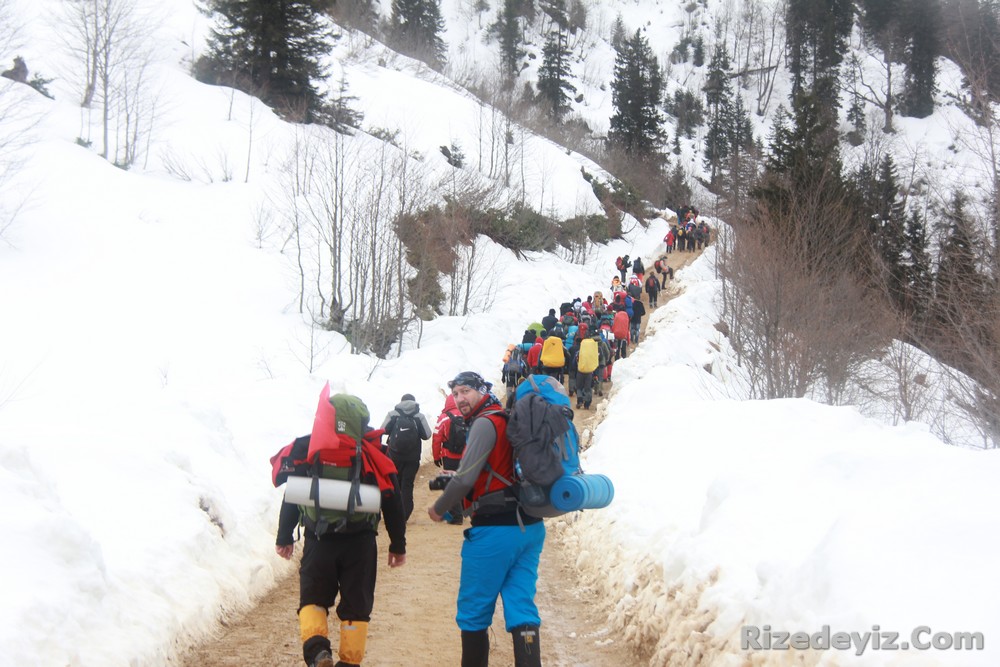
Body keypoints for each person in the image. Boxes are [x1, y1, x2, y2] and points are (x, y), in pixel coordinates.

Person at [275, 391, 406, 667]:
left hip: (319, 540)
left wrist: (284, 536)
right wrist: (398, 545)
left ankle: (318, 651)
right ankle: (348, 662)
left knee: (313, 599)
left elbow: (293, 495)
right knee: (356, 608)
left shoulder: (310, 449)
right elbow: (393, 500)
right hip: (360, 545)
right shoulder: (374, 454)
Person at [428, 372, 545, 667]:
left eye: (466, 391)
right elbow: (495, 471)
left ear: (482, 391)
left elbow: (466, 479)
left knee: (474, 611)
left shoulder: (485, 422)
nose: (460, 399)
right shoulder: (508, 419)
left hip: (495, 531)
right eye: (455, 394)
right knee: (521, 607)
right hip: (530, 527)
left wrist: (440, 507)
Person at [380, 394, 432, 523]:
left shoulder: (393, 414)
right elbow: (427, 435)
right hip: (412, 458)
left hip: (394, 456)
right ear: (414, 402)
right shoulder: (419, 416)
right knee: (407, 485)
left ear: (401, 401)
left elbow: (383, 430)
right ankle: (404, 515)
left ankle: (391, 513)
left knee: (394, 484)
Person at [431, 394, 467, 525]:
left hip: (448, 456)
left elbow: (437, 438)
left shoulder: (443, 417)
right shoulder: (468, 415)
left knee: (450, 484)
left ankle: (456, 516)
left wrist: (436, 456)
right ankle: (463, 509)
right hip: (465, 456)